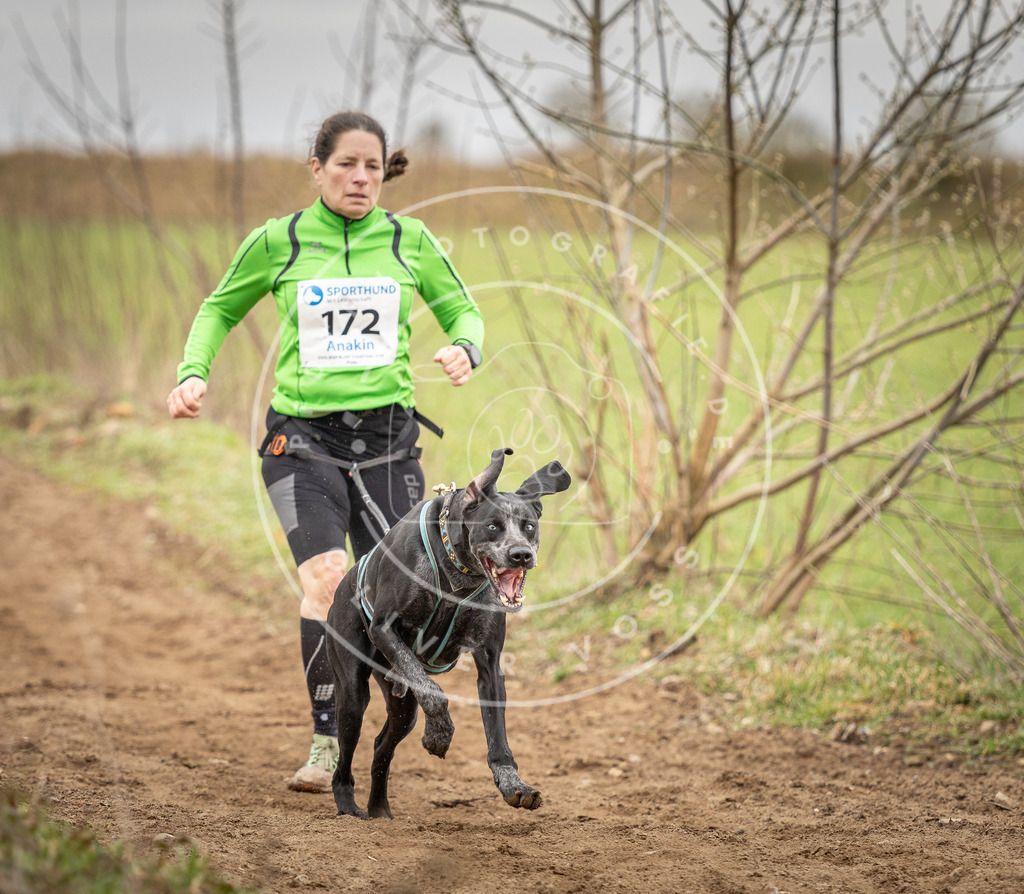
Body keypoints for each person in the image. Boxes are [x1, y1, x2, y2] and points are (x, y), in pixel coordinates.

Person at [167, 110, 484, 793]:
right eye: (346, 165)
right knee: (328, 581)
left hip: (390, 446)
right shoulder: (277, 241)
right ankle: (326, 738)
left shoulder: (410, 241)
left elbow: (464, 311)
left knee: (399, 597)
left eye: (373, 166)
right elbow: (219, 309)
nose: (361, 178)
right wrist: (194, 372)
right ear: (318, 169)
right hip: (302, 442)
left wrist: (466, 347)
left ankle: (390, 708)